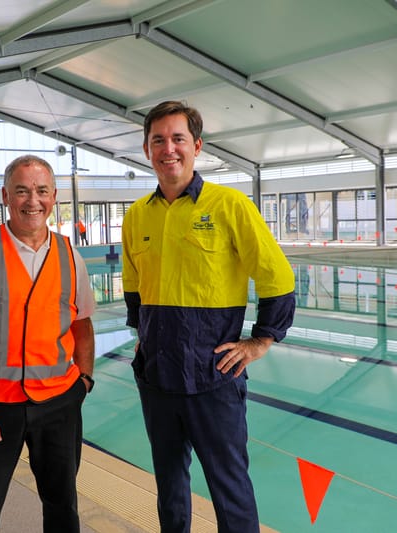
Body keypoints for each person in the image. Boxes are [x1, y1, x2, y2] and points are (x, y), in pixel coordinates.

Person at [121, 101, 296, 533]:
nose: (169, 149)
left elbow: (278, 277)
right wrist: (142, 339)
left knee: (230, 489)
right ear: (147, 149)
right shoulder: (136, 215)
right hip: (158, 378)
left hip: (213, 377)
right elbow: (134, 288)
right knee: (169, 488)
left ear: (196, 146)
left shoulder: (229, 205)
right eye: (158, 140)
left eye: (178, 138)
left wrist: (261, 340)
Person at [0, 154, 96, 533]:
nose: (32, 200)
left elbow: (83, 326)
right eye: (22, 191)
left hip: (59, 405)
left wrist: (83, 382)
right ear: (5, 196)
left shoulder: (70, 255)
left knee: (63, 508)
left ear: (54, 196)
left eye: (41, 191)